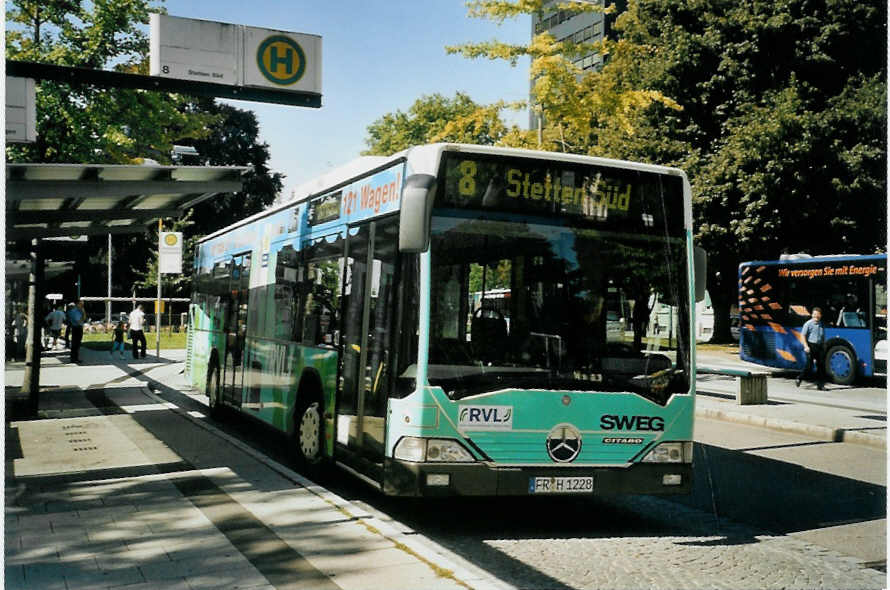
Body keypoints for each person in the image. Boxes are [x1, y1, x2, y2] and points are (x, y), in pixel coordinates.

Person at [797, 306, 826, 390]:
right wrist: (806, 346)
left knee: (821, 366)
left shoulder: (822, 324)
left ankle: (820, 385)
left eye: (818, 314)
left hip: (819, 346)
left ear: (820, 315)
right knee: (809, 366)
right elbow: (802, 336)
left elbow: (822, 335)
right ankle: (800, 378)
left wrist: (824, 344)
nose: (816, 316)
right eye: (814, 314)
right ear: (812, 315)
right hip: (810, 346)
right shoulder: (808, 324)